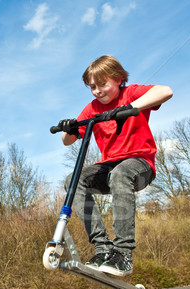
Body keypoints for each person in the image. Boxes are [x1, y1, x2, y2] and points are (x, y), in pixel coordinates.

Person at [59, 55, 172, 277]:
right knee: (73, 180)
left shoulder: (130, 94)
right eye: (92, 86)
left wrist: (130, 108)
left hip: (139, 163)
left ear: (119, 79)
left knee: (121, 173)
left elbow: (166, 91)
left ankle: (123, 254)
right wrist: (69, 128)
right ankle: (103, 249)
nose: (97, 91)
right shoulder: (92, 108)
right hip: (109, 166)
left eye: (102, 84)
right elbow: (67, 140)